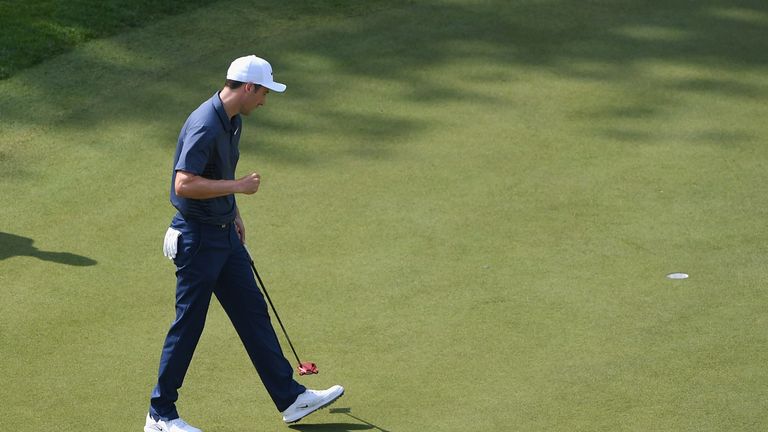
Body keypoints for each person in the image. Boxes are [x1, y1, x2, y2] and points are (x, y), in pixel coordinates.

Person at [144, 55, 344, 432]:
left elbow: (217, 172)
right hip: (199, 239)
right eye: (263, 93)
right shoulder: (205, 123)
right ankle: (160, 414)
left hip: (223, 233)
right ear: (248, 87)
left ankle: (290, 398)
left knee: (253, 312)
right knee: (189, 325)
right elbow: (183, 184)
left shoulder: (232, 121)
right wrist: (237, 189)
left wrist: (233, 211)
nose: (265, 102)